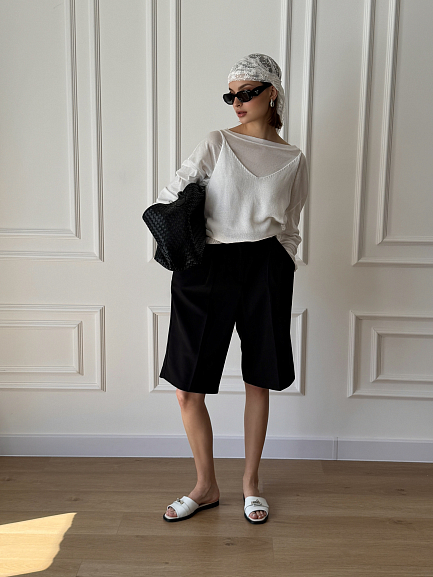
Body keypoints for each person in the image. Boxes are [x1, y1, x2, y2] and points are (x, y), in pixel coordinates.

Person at [150, 53, 309, 524]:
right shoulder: (217, 142)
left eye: (247, 93)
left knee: (259, 378)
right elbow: (169, 198)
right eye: (231, 95)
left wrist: (283, 261)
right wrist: (188, 245)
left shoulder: (293, 158)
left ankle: (251, 484)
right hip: (207, 266)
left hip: (265, 267)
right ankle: (206, 486)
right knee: (187, 386)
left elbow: (291, 223)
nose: (237, 102)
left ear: (271, 93)